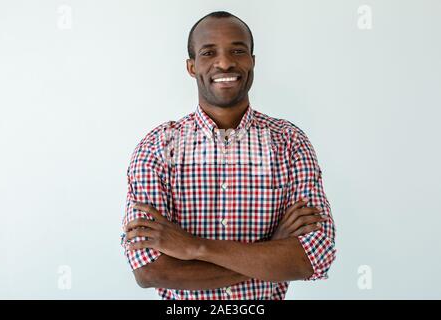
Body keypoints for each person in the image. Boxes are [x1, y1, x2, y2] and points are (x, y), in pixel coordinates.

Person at [120, 11, 336, 300]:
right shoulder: (157, 147)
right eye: (209, 53)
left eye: (238, 50)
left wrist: (194, 247)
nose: (224, 62)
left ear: (253, 61)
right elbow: (151, 271)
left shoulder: (290, 142)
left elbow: (313, 256)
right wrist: (271, 249)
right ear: (192, 66)